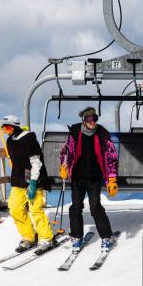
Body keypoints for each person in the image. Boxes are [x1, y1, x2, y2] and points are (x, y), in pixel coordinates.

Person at [59, 107, 119, 254]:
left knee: (95, 207)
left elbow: (111, 156)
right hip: (78, 177)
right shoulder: (74, 132)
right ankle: (76, 236)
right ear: (84, 120)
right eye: (89, 120)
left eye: (95, 119)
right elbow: (66, 151)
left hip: (95, 177)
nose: (92, 123)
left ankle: (106, 237)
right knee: (75, 207)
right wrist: (64, 165)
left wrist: (112, 179)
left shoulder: (102, 133)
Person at [1, 115, 55, 253]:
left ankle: (46, 238)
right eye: (4, 128)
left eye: (8, 127)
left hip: (33, 180)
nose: (6, 131)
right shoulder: (10, 140)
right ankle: (28, 236)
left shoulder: (29, 139)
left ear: (15, 126)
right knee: (15, 209)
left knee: (35, 209)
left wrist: (33, 183)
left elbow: (36, 162)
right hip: (18, 181)